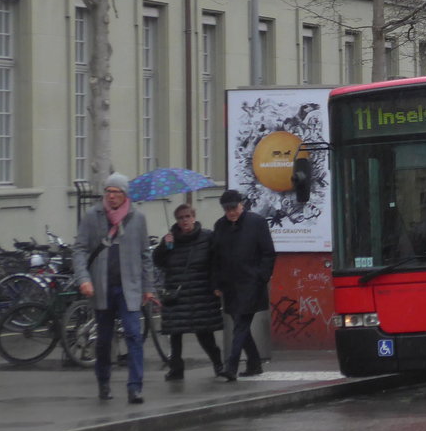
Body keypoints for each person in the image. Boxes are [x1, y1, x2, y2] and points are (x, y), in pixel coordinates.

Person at [72, 173, 156, 404]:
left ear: (124, 195)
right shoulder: (93, 216)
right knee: (104, 339)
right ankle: (103, 381)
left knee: (133, 336)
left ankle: (135, 387)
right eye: (107, 191)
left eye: (115, 192)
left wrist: (148, 288)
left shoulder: (137, 218)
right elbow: (79, 250)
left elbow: (145, 255)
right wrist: (84, 279)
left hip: (129, 288)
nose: (110, 196)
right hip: (102, 287)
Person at [153, 203, 224, 381]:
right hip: (177, 293)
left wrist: (216, 285)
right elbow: (159, 262)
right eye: (180, 218)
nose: (184, 221)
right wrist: (163, 247)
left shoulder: (207, 237)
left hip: (201, 293)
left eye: (187, 217)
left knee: (205, 333)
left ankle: (218, 364)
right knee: (175, 333)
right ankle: (176, 369)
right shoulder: (170, 240)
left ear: (194, 217)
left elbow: (216, 261)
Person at [210, 189, 276, 382]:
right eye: (227, 209)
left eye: (234, 207)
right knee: (241, 325)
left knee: (241, 324)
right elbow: (215, 257)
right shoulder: (220, 226)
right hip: (229, 284)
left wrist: (261, 276)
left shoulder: (256, 223)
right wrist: (216, 282)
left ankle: (231, 366)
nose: (231, 212)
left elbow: (268, 253)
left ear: (242, 205)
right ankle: (254, 363)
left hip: (251, 283)